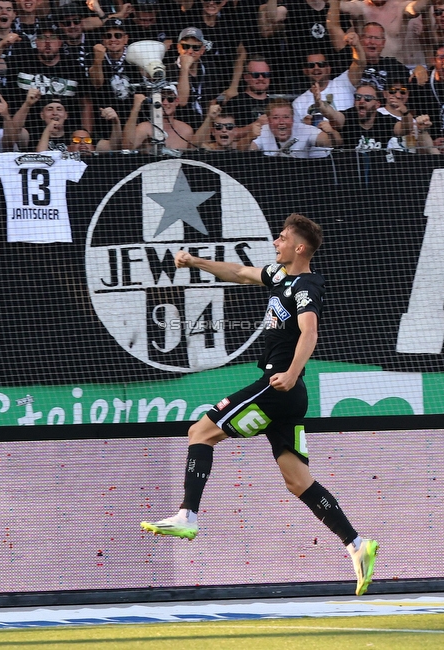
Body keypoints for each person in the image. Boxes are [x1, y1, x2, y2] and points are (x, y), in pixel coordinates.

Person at [140, 214, 380, 598]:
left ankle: (187, 515)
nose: (276, 243)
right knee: (297, 481)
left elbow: (310, 331)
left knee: (200, 431)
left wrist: (292, 371)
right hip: (288, 393)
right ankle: (356, 544)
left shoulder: (305, 286)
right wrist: (196, 262)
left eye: (282, 238)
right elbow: (239, 272)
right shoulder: (279, 276)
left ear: (299, 248)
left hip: (278, 386)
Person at [249, 97, 342, 156]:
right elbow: (243, 150)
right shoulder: (263, 131)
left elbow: (334, 143)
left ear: (293, 119)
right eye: (276, 118)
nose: (281, 122)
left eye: (286, 117)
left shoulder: (305, 130)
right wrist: (249, 137)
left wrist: (331, 132)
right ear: (268, 120)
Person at [123, 84, 195, 150]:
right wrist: (135, 109)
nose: (165, 103)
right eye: (161, 98)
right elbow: (127, 147)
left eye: (170, 99)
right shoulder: (145, 128)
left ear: (176, 102)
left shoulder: (186, 130)